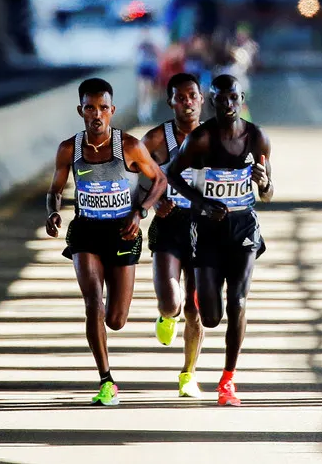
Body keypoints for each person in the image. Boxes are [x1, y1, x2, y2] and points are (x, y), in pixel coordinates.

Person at [45, 77, 167, 407]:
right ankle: (106, 380)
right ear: (80, 111)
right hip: (85, 231)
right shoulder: (69, 149)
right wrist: (53, 212)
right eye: (89, 108)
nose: (96, 115)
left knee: (115, 319)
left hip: (122, 231)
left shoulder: (129, 146)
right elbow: (55, 190)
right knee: (93, 304)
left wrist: (141, 211)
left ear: (112, 110)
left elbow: (159, 179)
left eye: (102, 108)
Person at [166, 74, 272, 407]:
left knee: (237, 302)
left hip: (243, 228)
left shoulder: (257, 138)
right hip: (208, 230)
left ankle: (228, 380)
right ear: (212, 102)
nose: (228, 105)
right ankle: (202, 294)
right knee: (211, 318)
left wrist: (264, 182)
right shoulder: (200, 139)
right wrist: (201, 202)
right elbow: (171, 174)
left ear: (242, 99)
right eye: (221, 99)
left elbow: (268, 193)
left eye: (233, 98)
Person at [139, 72, 206, 398]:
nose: (187, 102)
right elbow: (134, 176)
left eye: (192, 96)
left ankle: (188, 374)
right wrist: (154, 202)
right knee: (171, 302)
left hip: (204, 227)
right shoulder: (156, 139)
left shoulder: (214, 137)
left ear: (201, 99)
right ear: (170, 102)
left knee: (195, 307)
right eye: (181, 97)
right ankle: (167, 316)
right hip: (169, 224)